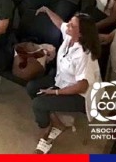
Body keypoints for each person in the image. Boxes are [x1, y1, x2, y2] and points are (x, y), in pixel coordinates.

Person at [26, 10, 100, 154]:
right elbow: (60, 23)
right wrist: (47, 10)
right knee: (32, 88)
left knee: (38, 104)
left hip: (80, 95)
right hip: (62, 80)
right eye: (70, 23)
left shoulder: (84, 55)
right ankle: (57, 123)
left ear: (81, 34)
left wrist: (55, 92)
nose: (68, 26)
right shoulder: (70, 35)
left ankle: (45, 130)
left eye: (72, 25)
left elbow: (81, 86)